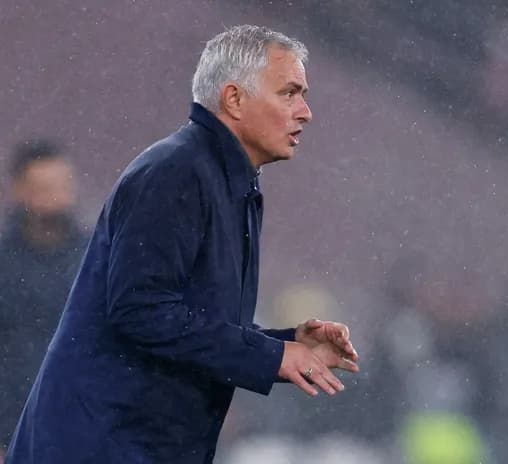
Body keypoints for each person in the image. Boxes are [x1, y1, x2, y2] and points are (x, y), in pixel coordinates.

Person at [6, 25, 360, 464]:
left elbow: (189, 323)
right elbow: (140, 310)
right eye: (289, 93)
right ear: (234, 99)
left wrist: (288, 345)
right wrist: (270, 354)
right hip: (104, 446)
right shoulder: (176, 173)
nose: (305, 111)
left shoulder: (226, 181)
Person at [0, 139, 88, 457]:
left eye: (61, 185)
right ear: (18, 190)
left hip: (83, 429)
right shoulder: (4, 263)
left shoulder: (96, 259)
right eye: (42, 186)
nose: (54, 197)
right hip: (11, 432)